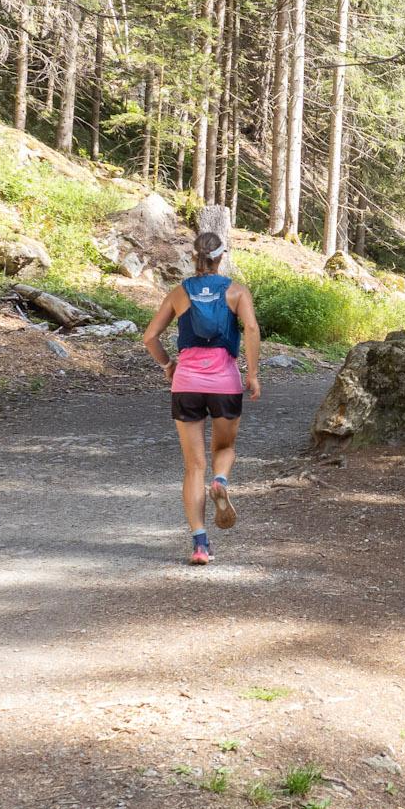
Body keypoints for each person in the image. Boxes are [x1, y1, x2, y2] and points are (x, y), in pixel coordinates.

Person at [140, 233, 262, 564]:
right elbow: (251, 329)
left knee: (193, 466)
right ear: (222, 257)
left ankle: (199, 544)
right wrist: (252, 375)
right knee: (224, 449)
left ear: (196, 256)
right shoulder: (236, 291)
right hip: (224, 383)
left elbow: (150, 336)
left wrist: (168, 365)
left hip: (187, 384)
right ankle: (220, 481)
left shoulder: (180, 292)